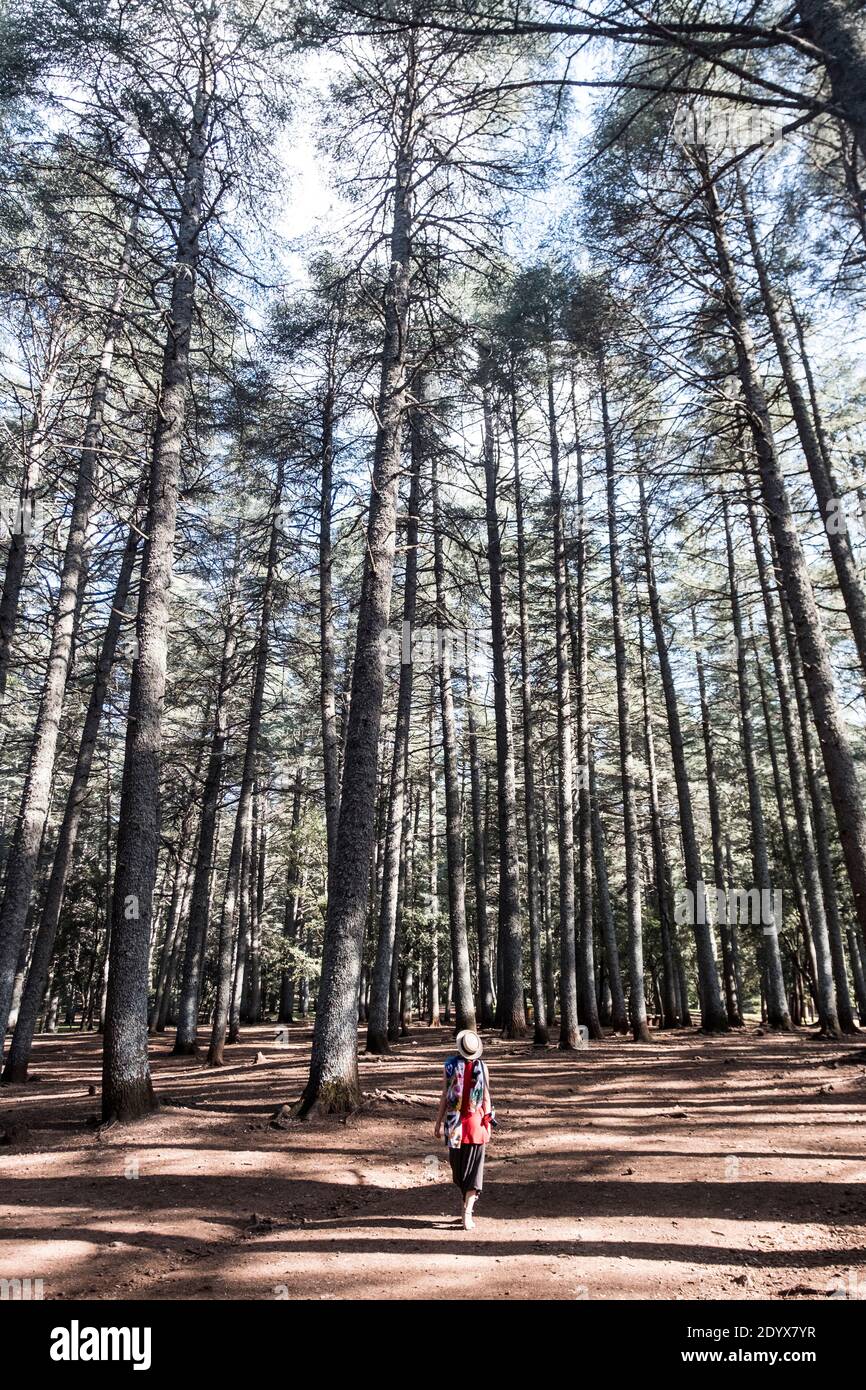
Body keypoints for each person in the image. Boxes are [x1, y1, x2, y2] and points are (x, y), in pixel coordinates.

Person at [433, 1029, 492, 1230]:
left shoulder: (448, 1066)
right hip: (474, 1126)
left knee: (461, 1172)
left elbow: (444, 1095)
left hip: (455, 1125)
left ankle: (466, 1212)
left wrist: (438, 1122)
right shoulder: (483, 1068)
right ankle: (466, 1209)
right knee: (470, 1172)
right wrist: (488, 1121)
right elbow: (486, 1098)